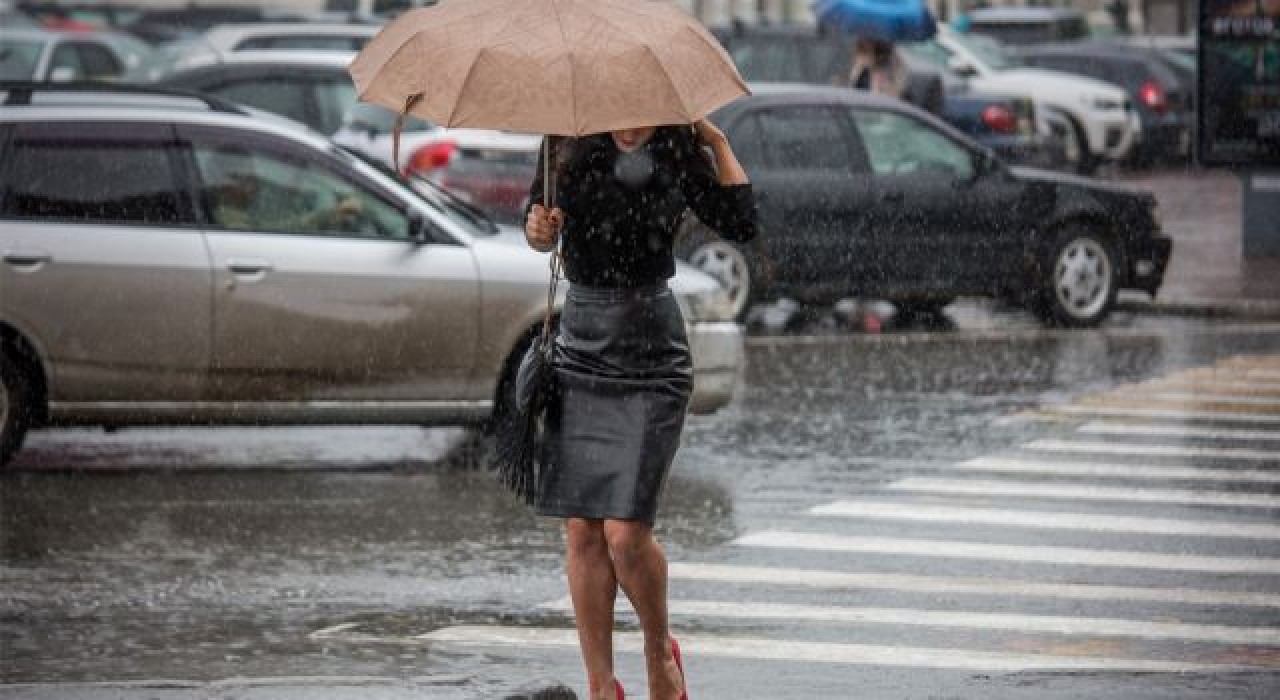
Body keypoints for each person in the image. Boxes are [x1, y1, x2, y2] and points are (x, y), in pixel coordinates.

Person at [523, 120, 756, 700]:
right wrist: (539, 227)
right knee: (582, 530)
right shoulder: (567, 140)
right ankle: (602, 685)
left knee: (626, 534)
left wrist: (718, 142)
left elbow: (742, 223)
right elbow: (537, 230)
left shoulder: (676, 144)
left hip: (653, 351)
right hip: (582, 345)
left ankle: (659, 648)